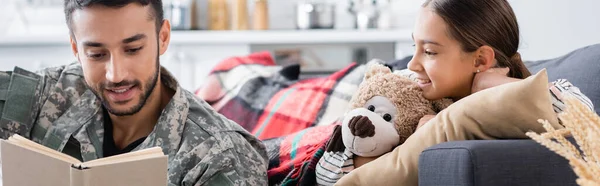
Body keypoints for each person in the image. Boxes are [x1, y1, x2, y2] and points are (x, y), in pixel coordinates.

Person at [317, 0, 595, 185]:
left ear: (480, 60)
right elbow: (327, 175)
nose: (413, 64)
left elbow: (586, 126)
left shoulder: (550, 89)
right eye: (415, 47)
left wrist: (491, 86)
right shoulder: (401, 86)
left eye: (429, 52)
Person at [0, 0, 268, 185]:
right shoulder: (50, 92)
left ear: (162, 37)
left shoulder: (219, 155)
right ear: (76, 50)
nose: (115, 74)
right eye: (96, 54)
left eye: (133, 49)